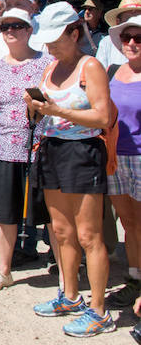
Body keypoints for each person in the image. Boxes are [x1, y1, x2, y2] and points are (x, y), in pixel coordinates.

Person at [25, 2, 114, 337]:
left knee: (89, 235)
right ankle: (70, 296)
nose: (49, 46)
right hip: (53, 150)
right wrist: (36, 108)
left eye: (55, 39)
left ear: (74, 33)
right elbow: (49, 112)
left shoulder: (90, 66)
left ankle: (99, 311)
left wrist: (58, 110)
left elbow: (102, 116)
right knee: (61, 232)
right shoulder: (51, 67)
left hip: (83, 152)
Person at [0, 8, 52, 292]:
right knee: (5, 214)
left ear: (30, 29)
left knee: (50, 214)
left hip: (39, 147)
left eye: (18, 25)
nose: (11, 30)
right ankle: (4, 271)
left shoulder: (46, 63)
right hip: (5, 148)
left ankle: (64, 270)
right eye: (5, 26)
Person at [105, 16, 141, 309]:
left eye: (138, 38)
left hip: (140, 158)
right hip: (115, 157)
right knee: (128, 224)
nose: (131, 43)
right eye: (127, 37)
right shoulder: (114, 71)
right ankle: (134, 279)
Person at [97, 0, 141, 68]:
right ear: (118, 22)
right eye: (128, 18)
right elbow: (100, 73)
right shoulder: (106, 43)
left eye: (138, 18)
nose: (133, 22)